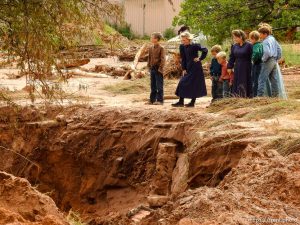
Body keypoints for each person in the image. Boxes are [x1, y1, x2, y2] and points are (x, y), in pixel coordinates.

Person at [172, 32, 208, 107]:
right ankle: (181, 102)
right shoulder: (182, 46)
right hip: (188, 67)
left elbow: (205, 49)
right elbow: (183, 58)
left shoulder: (195, 45)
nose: (183, 41)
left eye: (184, 40)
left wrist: (200, 58)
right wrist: (184, 68)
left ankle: (192, 102)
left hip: (196, 67)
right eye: (182, 40)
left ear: (189, 39)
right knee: (182, 82)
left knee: (194, 84)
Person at [257, 26, 283, 98]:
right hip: (274, 60)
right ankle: (275, 96)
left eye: (260, 34)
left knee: (262, 78)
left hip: (268, 60)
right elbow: (279, 49)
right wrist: (277, 58)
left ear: (265, 34)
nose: (259, 35)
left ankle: (259, 96)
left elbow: (267, 52)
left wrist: (263, 59)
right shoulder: (272, 38)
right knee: (273, 79)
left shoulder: (265, 41)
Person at [227, 30, 253, 98]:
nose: (234, 39)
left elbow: (252, 56)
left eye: (235, 37)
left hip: (246, 66)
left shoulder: (249, 45)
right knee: (237, 81)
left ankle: (246, 95)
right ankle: (237, 96)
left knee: (245, 80)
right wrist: (229, 66)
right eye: (233, 37)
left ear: (241, 37)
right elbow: (232, 57)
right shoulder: (234, 46)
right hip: (237, 66)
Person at [147, 32, 166, 105]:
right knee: (153, 85)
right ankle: (152, 100)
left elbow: (163, 59)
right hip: (152, 69)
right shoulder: (151, 48)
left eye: (152, 37)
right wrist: (148, 67)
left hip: (158, 69)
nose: (151, 39)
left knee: (159, 85)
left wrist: (160, 68)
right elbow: (149, 58)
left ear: (156, 39)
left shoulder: (161, 48)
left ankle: (160, 100)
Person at [249, 31, 264, 97]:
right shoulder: (261, 44)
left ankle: (255, 95)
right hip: (260, 64)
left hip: (257, 64)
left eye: (250, 39)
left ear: (253, 38)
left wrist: (252, 59)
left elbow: (256, 53)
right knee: (257, 79)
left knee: (255, 80)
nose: (250, 40)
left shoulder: (256, 45)